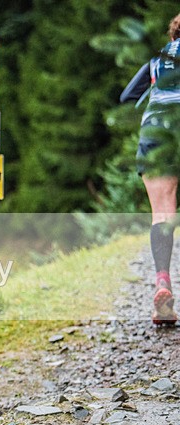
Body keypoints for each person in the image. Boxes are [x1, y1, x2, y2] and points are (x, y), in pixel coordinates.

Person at [121, 13, 180, 325]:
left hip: (155, 133)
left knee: (162, 214)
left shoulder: (156, 61)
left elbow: (127, 95)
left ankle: (162, 283)